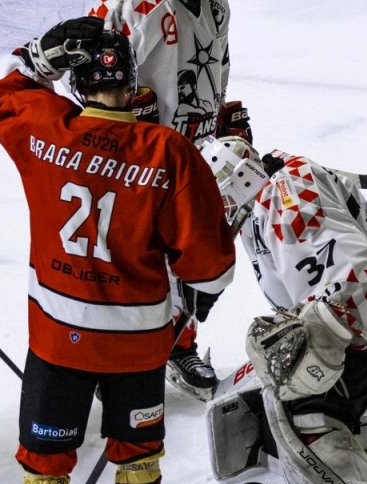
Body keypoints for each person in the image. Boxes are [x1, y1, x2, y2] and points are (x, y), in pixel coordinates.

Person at [0, 17, 235, 484]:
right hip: (138, 345)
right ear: (132, 84)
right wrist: (198, 293)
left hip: (58, 341)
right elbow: (210, 264)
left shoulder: (45, 128)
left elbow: (1, 95)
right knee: (138, 457)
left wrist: (38, 54)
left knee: (46, 460)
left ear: (78, 83)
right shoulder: (168, 151)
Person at [198, 137, 367, 484]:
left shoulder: (284, 200)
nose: (218, 208)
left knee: (296, 403)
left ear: (241, 180)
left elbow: (359, 279)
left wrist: (318, 341)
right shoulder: (275, 183)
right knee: (296, 370)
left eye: (221, 195)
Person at [89, 0, 251, 399]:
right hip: (135, 154)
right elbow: (83, 74)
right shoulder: (133, 6)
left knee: (197, 248)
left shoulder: (216, 5)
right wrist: (124, 115)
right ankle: (108, 356)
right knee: (131, 253)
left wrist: (223, 115)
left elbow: (217, 69)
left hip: (192, 146)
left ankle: (178, 342)